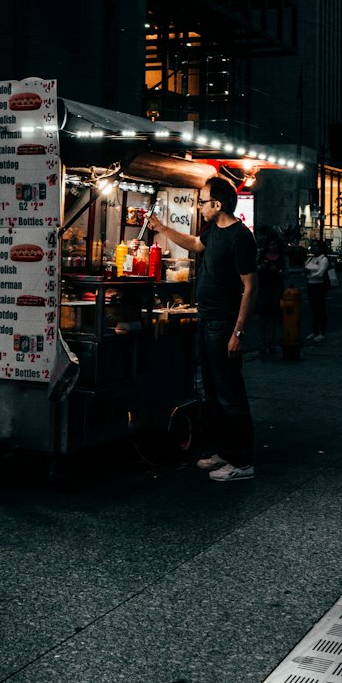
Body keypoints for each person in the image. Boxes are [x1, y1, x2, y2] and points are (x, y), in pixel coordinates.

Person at [149, 175, 257, 483]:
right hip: (208, 321)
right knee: (212, 393)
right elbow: (195, 244)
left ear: (217, 204)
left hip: (224, 325)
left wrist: (238, 333)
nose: (200, 206)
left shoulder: (240, 237)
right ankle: (224, 452)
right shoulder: (213, 232)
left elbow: (251, 287)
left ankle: (242, 461)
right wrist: (163, 229)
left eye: (203, 201)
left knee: (229, 394)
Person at [255, 231, 287, 355]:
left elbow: (286, 274)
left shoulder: (282, 258)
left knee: (273, 315)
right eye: (270, 244)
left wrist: (277, 270)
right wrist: (262, 267)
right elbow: (255, 269)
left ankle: (271, 342)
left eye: (274, 244)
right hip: (263, 288)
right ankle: (263, 343)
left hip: (276, 288)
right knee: (262, 315)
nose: (272, 247)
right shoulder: (262, 256)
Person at [304, 240, 330, 341]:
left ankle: (322, 331)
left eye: (316, 246)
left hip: (320, 285)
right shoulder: (310, 259)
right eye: (313, 246)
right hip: (311, 285)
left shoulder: (323, 259)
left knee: (320, 308)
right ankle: (315, 331)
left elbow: (320, 273)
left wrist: (309, 273)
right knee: (314, 309)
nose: (314, 248)